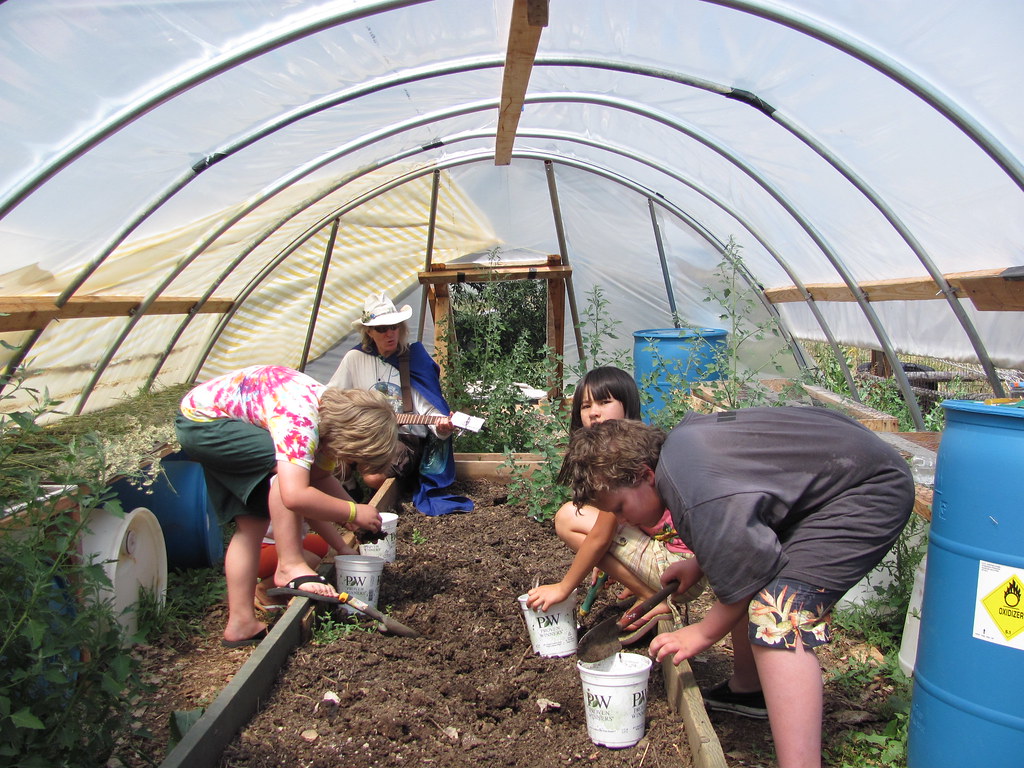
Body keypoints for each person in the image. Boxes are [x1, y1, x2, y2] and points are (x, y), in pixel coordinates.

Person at [557, 408, 914, 768]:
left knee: (778, 614)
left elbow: (748, 566)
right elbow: (744, 509)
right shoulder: (680, 455)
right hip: (835, 477)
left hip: (866, 492)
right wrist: (699, 563)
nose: (620, 520)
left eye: (620, 507)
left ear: (645, 475)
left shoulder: (692, 490)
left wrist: (702, 632)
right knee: (751, 584)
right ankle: (752, 691)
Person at [174, 364, 397, 647]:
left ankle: (241, 624)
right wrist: (353, 511)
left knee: (252, 523)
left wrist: (343, 543)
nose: (349, 462)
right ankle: (289, 565)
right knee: (285, 477)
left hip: (221, 421)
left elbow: (317, 482)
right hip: (205, 422)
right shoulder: (301, 421)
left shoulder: (329, 422)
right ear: (350, 437)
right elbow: (294, 495)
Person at [525, 366, 704, 640]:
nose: (593, 412)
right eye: (586, 405)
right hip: (690, 566)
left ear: (627, 404)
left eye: (604, 402)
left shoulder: (618, 463)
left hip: (679, 573)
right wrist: (609, 562)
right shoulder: (641, 444)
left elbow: (599, 537)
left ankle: (651, 598)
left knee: (568, 518)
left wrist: (564, 587)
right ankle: (647, 592)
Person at [328, 292, 473, 517]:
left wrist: (442, 427)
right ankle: (351, 491)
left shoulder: (413, 359)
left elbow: (429, 409)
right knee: (329, 446)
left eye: (394, 327)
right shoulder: (354, 359)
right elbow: (330, 397)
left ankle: (388, 490)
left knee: (373, 476)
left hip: (404, 439)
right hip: (366, 434)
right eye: (382, 329)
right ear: (369, 332)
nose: (390, 333)